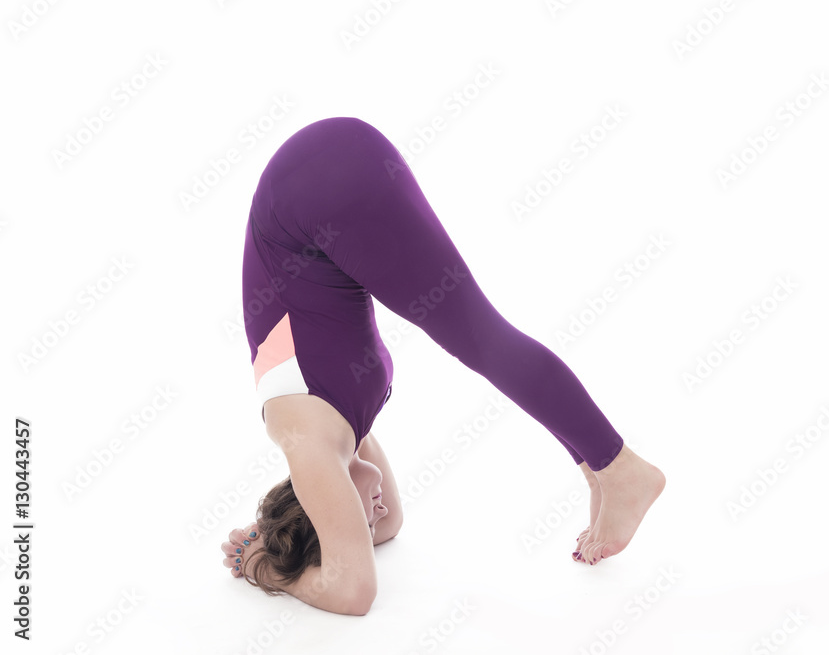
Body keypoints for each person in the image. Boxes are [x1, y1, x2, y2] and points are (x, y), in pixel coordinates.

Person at [220, 117, 664, 615]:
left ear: (322, 507)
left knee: (484, 339)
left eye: (354, 522)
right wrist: (333, 533)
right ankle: (598, 470)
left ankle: (622, 469)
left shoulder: (309, 445)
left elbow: (353, 591)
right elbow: (389, 525)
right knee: (481, 340)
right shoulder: (339, 433)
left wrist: (263, 565)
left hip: (316, 193)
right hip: (326, 171)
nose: (375, 516)